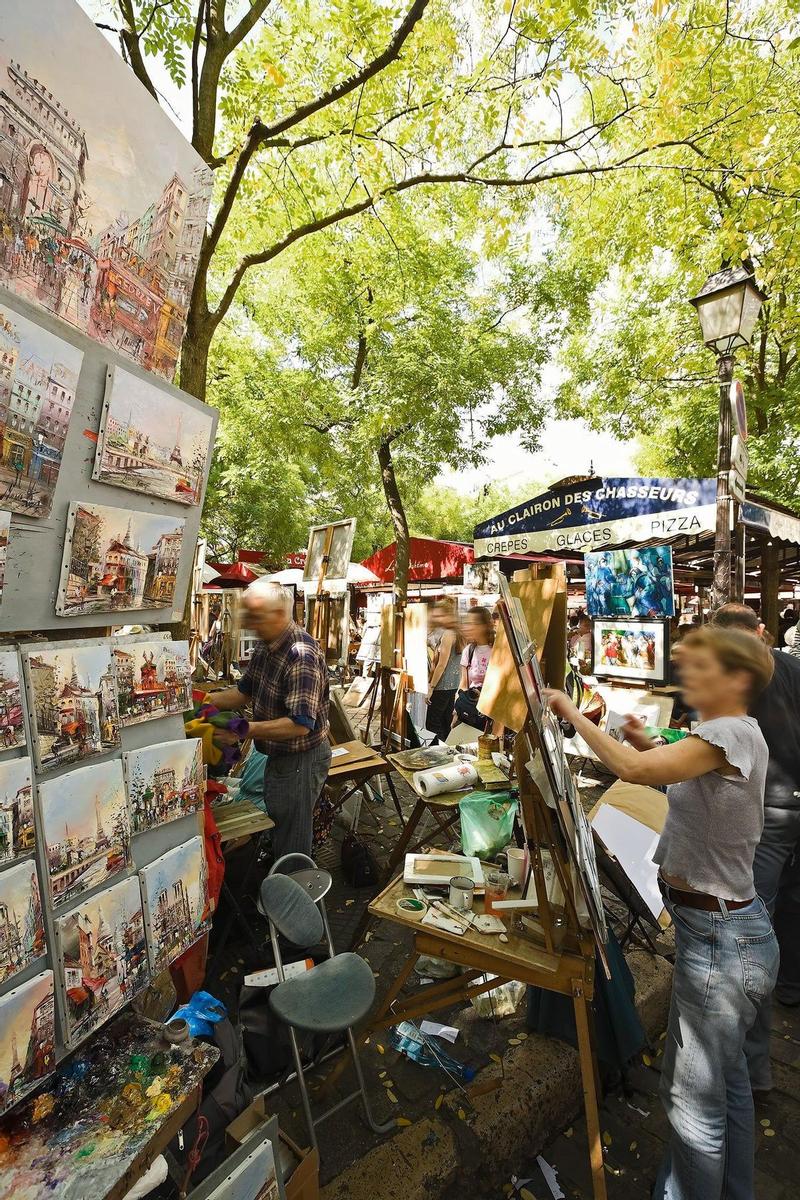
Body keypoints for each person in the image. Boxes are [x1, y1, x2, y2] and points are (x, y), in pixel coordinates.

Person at [545, 625, 777, 1200]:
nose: (689, 678)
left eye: (703, 668)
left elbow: (635, 773)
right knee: (728, 1086)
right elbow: (670, 767)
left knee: (695, 1104)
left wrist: (570, 710)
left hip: (723, 943)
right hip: (725, 933)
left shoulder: (732, 731)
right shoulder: (723, 736)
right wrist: (643, 739)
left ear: (739, 679)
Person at [711, 603, 800, 1096]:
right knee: (790, 905)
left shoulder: (744, 680)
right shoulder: (790, 665)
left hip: (771, 812)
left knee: (752, 929)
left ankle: (754, 1067)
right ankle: (791, 987)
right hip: (791, 805)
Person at [209, 579, 331, 860]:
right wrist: (201, 700)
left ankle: (293, 895)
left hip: (302, 760)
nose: (249, 623)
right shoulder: (267, 646)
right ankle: (279, 883)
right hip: (280, 756)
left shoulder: (301, 655)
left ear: (278, 615)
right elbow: (242, 693)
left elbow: (299, 724)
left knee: (292, 840)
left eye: (255, 616)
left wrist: (241, 729)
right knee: (281, 827)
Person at [426, 599, 463, 743]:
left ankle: (433, 756)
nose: (438, 619)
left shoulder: (448, 634)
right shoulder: (456, 632)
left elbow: (442, 664)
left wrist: (431, 687)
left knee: (433, 725)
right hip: (452, 684)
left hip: (442, 685)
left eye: (440, 615)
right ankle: (444, 755)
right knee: (444, 724)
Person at [454, 606, 494, 731]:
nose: (468, 627)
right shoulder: (468, 651)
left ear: (485, 625)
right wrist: (457, 710)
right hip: (472, 710)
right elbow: (464, 683)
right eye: (467, 623)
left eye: (473, 623)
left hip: (490, 713)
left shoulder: (497, 650)